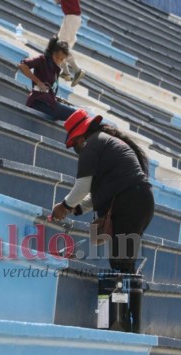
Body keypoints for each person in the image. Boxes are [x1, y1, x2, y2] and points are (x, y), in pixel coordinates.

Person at [51, 109, 154, 274]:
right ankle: (123, 298)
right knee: (122, 264)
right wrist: (75, 208)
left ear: (80, 136)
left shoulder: (91, 144)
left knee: (121, 265)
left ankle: (119, 299)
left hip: (129, 203)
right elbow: (104, 189)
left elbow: (83, 185)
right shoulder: (104, 142)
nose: (76, 148)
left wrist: (64, 206)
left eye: (74, 143)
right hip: (139, 201)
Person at [18, 36, 77, 121]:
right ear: (52, 52)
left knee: (74, 115)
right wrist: (38, 82)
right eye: (57, 57)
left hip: (49, 104)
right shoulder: (42, 59)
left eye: (61, 59)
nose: (58, 60)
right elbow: (23, 66)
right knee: (74, 114)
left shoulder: (56, 69)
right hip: (38, 103)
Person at [54, 0, 86, 87]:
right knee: (60, 45)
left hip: (72, 18)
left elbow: (56, 1)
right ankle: (65, 72)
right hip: (71, 18)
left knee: (62, 46)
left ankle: (77, 71)